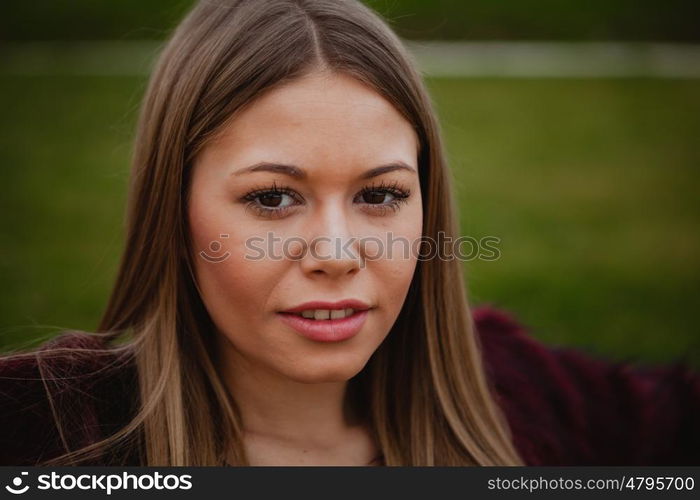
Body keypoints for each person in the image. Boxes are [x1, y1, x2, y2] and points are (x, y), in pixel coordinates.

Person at [1, 0, 698, 467]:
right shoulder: (47, 431)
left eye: (381, 195)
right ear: (173, 213)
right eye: (272, 197)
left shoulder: (519, 394)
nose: (337, 255)